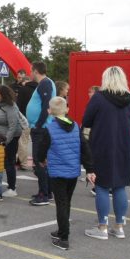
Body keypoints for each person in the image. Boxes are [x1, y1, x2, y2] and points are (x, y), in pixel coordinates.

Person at [81, 66, 130, 240]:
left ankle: (102, 227)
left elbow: (86, 120)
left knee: (102, 186)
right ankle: (119, 226)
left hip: (102, 145)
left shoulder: (99, 98)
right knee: (120, 186)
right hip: (125, 146)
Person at [36, 97, 94, 250]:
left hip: (57, 173)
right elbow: (85, 148)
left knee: (61, 203)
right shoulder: (75, 126)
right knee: (66, 201)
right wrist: (89, 169)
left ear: (49, 112)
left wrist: (41, 160)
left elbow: (41, 149)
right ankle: (62, 230)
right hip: (73, 172)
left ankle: (63, 238)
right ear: (66, 110)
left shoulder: (49, 129)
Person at [27, 61, 57, 206]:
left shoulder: (45, 83)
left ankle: (43, 194)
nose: (29, 73)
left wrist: (38, 124)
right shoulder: (45, 83)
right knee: (42, 162)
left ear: (36, 71)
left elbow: (46, 105)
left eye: (31, 71)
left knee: (39, 162)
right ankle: (47, 191)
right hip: (41, 127)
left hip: (42, 128)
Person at [0, 85, 22, 197]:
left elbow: (13, 126)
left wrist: (6, 141)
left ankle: (12, 188)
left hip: (8, 139)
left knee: (9, 162)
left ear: (4, 96)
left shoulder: (11, 107)